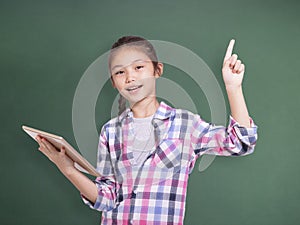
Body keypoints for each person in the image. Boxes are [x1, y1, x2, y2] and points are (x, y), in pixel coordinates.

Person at [36, 35, 258, 225]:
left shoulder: (185, 124)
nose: (130, 77)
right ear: (114, 82)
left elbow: (240, 143)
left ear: (157, 70)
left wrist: (233, 87)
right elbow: (106, 199)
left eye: (139, 67)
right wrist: (68, 169)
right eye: (120, 72)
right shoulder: (110, 131)